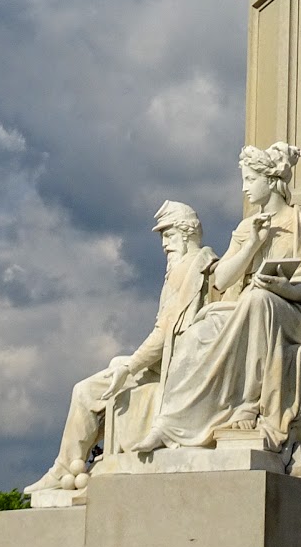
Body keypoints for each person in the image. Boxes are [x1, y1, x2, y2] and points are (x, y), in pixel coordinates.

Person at [133, 142, 301, 452]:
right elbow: (221, 279)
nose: (245, 188)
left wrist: (282, 288)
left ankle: (248, 404)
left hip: (291, 315)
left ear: (271, 180)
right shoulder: (248, 226)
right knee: (197, 333)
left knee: (257, 300)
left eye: (250, 179)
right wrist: (252, 245)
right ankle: (170, 425)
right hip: (244, 311)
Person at [23, 199, 215, 492]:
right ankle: (68, 469)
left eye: (169, 235)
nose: (164, 244)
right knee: (107, 374)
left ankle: (64, 471)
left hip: (177, 369)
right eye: (162, 236)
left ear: (187, 233)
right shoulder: (178, 270)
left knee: (86, 390)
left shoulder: (191, 269)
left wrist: (130, 366)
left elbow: (164, 334)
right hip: (165, 364)